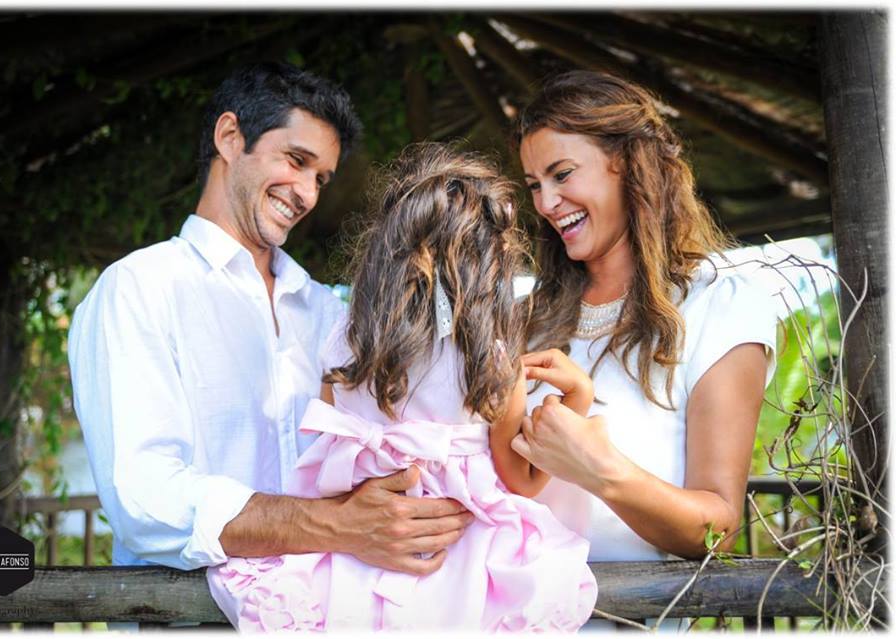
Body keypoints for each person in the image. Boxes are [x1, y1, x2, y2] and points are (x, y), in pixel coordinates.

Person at [67, 63, 474, 582]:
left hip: (322, 609)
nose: (306, 193)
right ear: (230, 137)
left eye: (320, 178)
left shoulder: (329, 313)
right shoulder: (138, 289)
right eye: (296, 161)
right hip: (182, 615)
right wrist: (338, 525)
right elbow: (146, 499)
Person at [206, 143, 598, 631]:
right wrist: (578, 398)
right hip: (460, 556)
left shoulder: (345, 343)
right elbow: (522, 480)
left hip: (356, 554)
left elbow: (326, 449)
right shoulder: (491, 364)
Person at [510, 70, 778, 609]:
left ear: (631, 164)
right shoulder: (522, 319)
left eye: (562, 174)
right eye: (535, 184)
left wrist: (602, 472)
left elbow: (718, 529)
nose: (546, 202)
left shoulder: (720, 304)